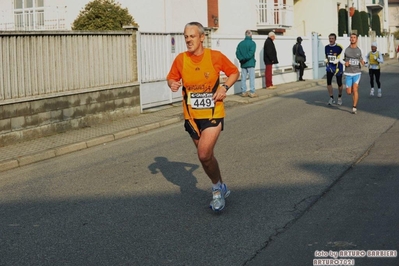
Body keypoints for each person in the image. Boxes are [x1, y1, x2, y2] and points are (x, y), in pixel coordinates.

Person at [166, 22, 239, 212]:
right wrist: (172, 83)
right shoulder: (181, 59)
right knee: (206, 158)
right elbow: (171, 77)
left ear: (201, 37)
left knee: (204, 153)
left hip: (213, 112)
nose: (188, 40)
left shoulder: (214, 57)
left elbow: (234, 72)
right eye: (186, 36)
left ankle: (216, 190)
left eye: (192, 36)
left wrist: (224, 87)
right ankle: (221, 185)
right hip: (191, 117)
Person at [343, 33, 365, 114]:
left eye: (354, 37)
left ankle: (354, 107)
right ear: (350, 39)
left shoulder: (359, 50)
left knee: (355, 89)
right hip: (348, 73)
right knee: (349, 92)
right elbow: (343, 60)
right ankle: (351, 90)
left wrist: (364, 63)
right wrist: (345, 63)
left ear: (356, 39)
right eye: (351, 37)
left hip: (357, 73)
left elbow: (362, 59)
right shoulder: (346, 50)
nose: (352, 39)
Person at [236, 30, 257, 98]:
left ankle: (243, 92)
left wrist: (241, 59)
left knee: (243, 78)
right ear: (251, 35)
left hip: (243, 63)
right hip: (250, 62)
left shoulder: (240, 43)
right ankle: (252, 92)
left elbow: (237, 53)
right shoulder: (253, 43)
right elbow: (251, 53)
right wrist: (245, 58)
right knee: (251, 78)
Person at [324, 33, 344, 105]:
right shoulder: (326, 47)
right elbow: (327, 56)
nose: (331, 40)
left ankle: (339, 96)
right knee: (328, 82)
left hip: (338, 67)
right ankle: (331, 98)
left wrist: (337, 60)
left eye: (332, 39)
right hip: (330, 67)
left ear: (335, 39)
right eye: (330, 38)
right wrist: (326, 60)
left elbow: (340, 55)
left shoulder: (339, 47)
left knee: (339, 83)